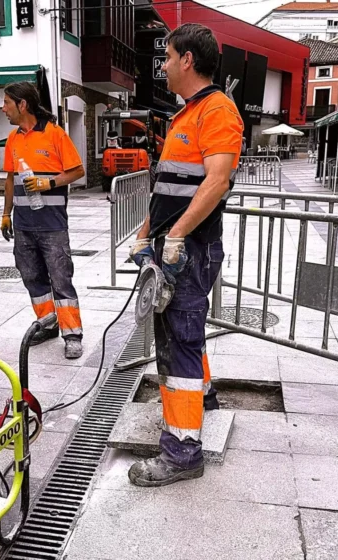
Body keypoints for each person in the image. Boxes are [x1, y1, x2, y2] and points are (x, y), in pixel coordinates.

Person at [127, 23, 244, 487]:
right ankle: (204, 400)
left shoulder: (217, 110)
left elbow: (217, 181)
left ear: (188, 60)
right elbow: (168, 189)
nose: (164, 65)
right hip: (174, 245)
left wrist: (174, 236)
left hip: (190, 250)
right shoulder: (187, 113)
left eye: (169, 57)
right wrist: (145, 236)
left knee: (178, 345)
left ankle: (181, 451)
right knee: (182, 334)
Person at [0, 82, 86, 359]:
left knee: (61, 279)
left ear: (22, 104)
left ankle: (72, 334)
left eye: (6, 103)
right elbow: (11, 180)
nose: (3, 109)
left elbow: (77, 171)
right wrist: (5, 214)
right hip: (24, 226)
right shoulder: (14, 138)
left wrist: (48, 183)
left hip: (52, 226)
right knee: (33, 278)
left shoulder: (55, 134)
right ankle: (48, 325)